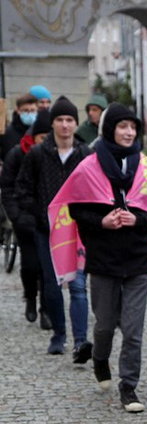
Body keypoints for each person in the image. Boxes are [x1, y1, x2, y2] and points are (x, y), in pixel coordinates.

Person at [50, 104, 147, 413]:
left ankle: (129, 386)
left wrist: (138, 220)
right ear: (109, 129)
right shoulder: (88, 166)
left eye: (133, 127)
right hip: (104, 259)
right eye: (122, 126)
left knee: (134, 329)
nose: (129, 132)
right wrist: (102, 222)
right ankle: (99, 358)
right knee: (106, 324)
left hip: (138, 257)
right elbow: (75, 208)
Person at [15, 96, 92, 358]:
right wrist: (39, 215)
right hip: (47, 232)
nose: (65, 125)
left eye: (70, 120)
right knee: (52, 284)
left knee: (79, 285)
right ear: (52, 124)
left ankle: (81, 340)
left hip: (79, 232)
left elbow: (97, 191)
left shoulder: (85, 154)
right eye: (59, 120)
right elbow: (22, 189)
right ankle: (59, 334)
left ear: (76, 124)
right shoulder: (38, 154)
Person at [1, 109, 52, 325]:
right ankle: (30, 297)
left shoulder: (53, 154)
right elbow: (7, 187)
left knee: (47, 269)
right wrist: (17, 216)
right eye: (42, 138)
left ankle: (46, 309)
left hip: (48, 222)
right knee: (30, 265)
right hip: (25, 220)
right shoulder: (17, 154)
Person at [1, 93, 39, 159]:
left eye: (32, 110)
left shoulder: (40, 132)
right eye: (25, 110)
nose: (29, 114)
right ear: (18, 110)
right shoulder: (8, 133)